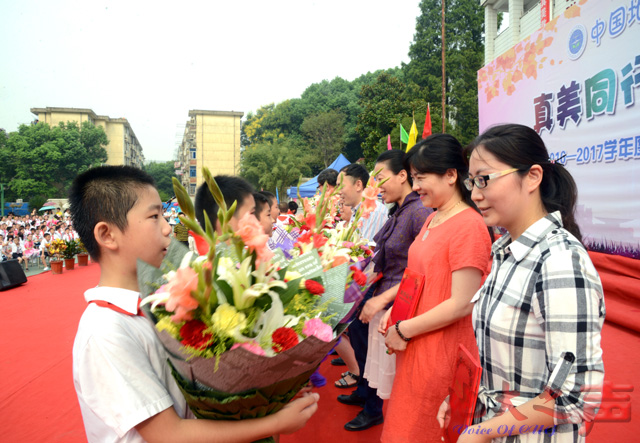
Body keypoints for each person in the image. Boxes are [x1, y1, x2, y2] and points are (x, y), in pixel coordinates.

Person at [70, 165, 319, 442]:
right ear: (107, 235)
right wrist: (273, 423)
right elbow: (168, 434)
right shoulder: (106, 331)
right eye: (154, 216)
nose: (167, 227)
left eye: (164, 215)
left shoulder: (160, 304)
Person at [437, 124, 605, 442]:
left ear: (533, 177)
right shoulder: (506, 251)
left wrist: (483, 432)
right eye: (471, 181)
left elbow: (574, 396)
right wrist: (464, 400)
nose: (474, 193)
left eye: (485, 179)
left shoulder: (559, 262)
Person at [377, 134, 492, 442]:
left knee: (423, 429)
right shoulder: (434, 218)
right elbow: (417, 277)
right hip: (414, 343)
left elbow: (462, 303)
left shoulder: (469, 225)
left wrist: (404, 329)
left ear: (452, 175)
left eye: (421, 178)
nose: (415, 187)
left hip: (440, 352)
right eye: (413, 178)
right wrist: (394, 310)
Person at [340, 150, 431, 430]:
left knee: (379, 355)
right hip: (383, 290)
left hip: (396, 299)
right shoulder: (401, 209)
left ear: (403, 176)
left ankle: (373, 408)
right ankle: (366, 395)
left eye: (380, 178)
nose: (376, 187)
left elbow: (419, 268)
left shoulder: (419, 211)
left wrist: (381, 299)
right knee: (363, 343)